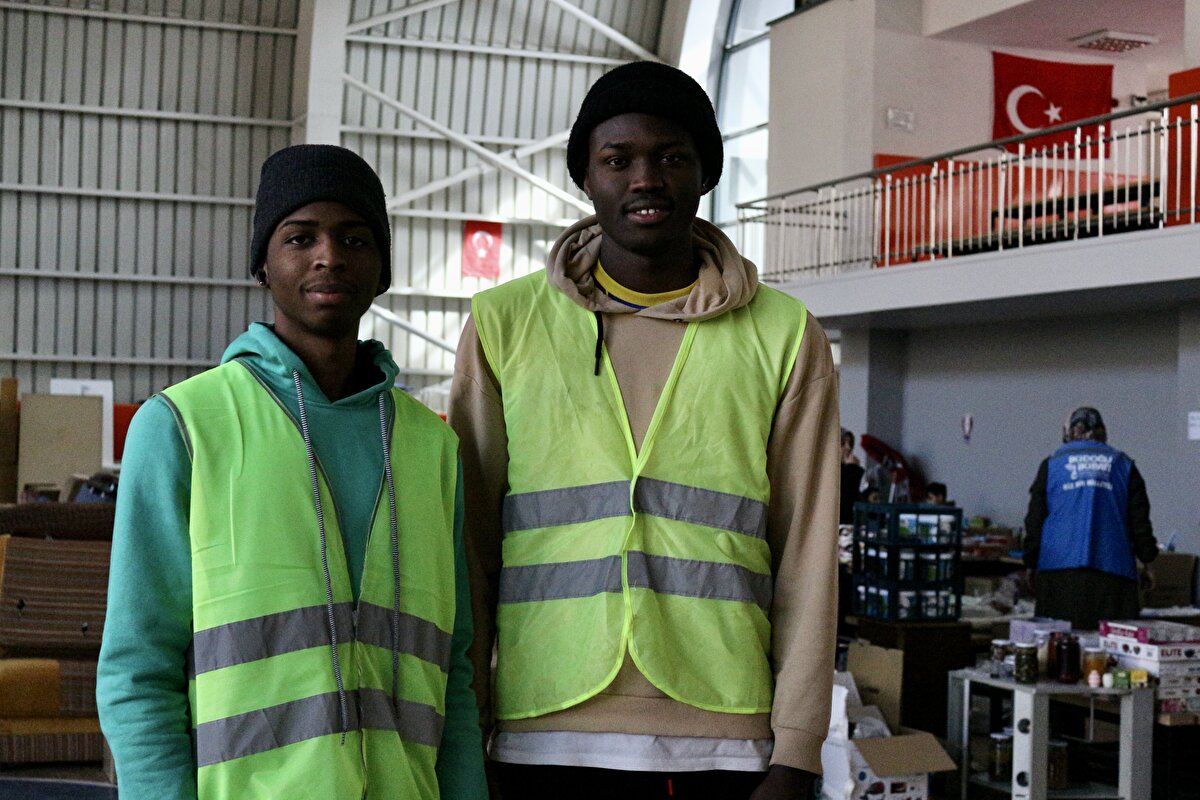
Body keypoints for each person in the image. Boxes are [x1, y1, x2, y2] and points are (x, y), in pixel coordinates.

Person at [449, 62, 840, 800]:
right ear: (585, 178)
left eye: (671, 157)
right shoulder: (503, 326)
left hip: (722, 738)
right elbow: (468, 547)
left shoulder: (786, 335)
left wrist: (798, 747)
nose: (645, 179)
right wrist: (464, 728)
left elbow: (808, 558)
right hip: (540, 729)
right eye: (617, 159)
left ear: (704, 174)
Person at [96, 145, 487, 799]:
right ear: (263, 264)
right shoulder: (183, 427)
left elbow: (456, 670)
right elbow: (138, 665)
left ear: (382, 267)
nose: (328, 256)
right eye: (300, 237)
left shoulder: (431, 448)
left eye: (353, 237)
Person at [1023, 406, 1158, 630]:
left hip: (1058, 575)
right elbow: (1140, 522)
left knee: (1059, 650)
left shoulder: (1051, 465)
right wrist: (1148, 561)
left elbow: (1035, 520)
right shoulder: (1124, 465)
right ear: (1103, 432)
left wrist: (1030, 562)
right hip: (1114, 575)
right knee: (1113, 651)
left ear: (1069, 433)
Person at [840, 429, 865, 524]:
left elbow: (854, 498)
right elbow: (845, 500)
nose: (848, 447)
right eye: (842, 443)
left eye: (850, 443)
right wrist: (852, 469)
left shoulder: (848, 468)